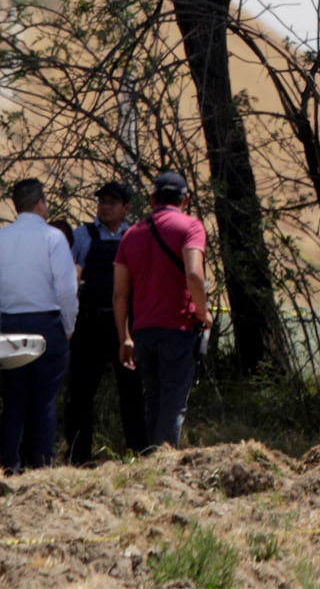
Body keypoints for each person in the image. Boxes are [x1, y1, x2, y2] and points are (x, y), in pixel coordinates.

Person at [0, 178, 78, 472]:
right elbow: (66, 289)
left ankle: (10, 462)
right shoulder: (53, 238)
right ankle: (43, 463)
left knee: (14, 398)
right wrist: (68, 324)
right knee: (45, 398)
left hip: (11, 323)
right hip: (47, 322)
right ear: (40, 204)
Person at [114, 171, 210, 450]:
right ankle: (164, 466)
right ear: (186, 199)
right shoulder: (191, 227)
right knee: (173, 404)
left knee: (153, 402)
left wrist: (124, 337)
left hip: (144, 331)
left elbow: (120, 294)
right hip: (178, 328)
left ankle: (151, 461)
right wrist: (203, 314)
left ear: (152, 198)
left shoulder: (131, 234)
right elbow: (194, 274)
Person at [64, 181, 147, 464]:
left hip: (124, 326)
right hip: (90, 324)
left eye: (112, 202)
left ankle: (139, 453)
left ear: (126, 208)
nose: (105, 207)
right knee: (81, 394)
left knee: (133, 391)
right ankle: (78, 456)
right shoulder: (83, 235)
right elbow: (68, 278)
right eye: (102, 201)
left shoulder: (135, 236)